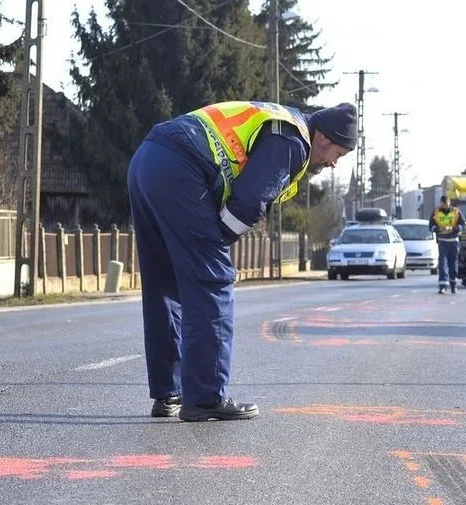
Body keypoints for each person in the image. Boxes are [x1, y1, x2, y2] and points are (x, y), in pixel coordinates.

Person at [128, 101, 356, 421]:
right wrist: (216, 242)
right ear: (324, 138)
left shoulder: (280, 120)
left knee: (164, 285)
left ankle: (169, 393)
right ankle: (206, 397)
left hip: (147, 159)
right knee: (213, 282)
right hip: (181, 169)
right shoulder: (293, 140)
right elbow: (250, 199)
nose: (334, 164)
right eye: (339, 154)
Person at [429, 195, 465, 294]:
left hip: (453, 241)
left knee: (453, 264)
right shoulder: (436, 212)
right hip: (442, 241)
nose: (445, 206)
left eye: (447, 204)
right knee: (443, 264)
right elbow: (431, 226)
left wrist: (453, 229)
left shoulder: (456, 212)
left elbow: (463, 225)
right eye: (443, 204)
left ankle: (453, 285)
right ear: (441, 203)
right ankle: (443, 286)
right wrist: (438, 229)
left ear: (449, 203)